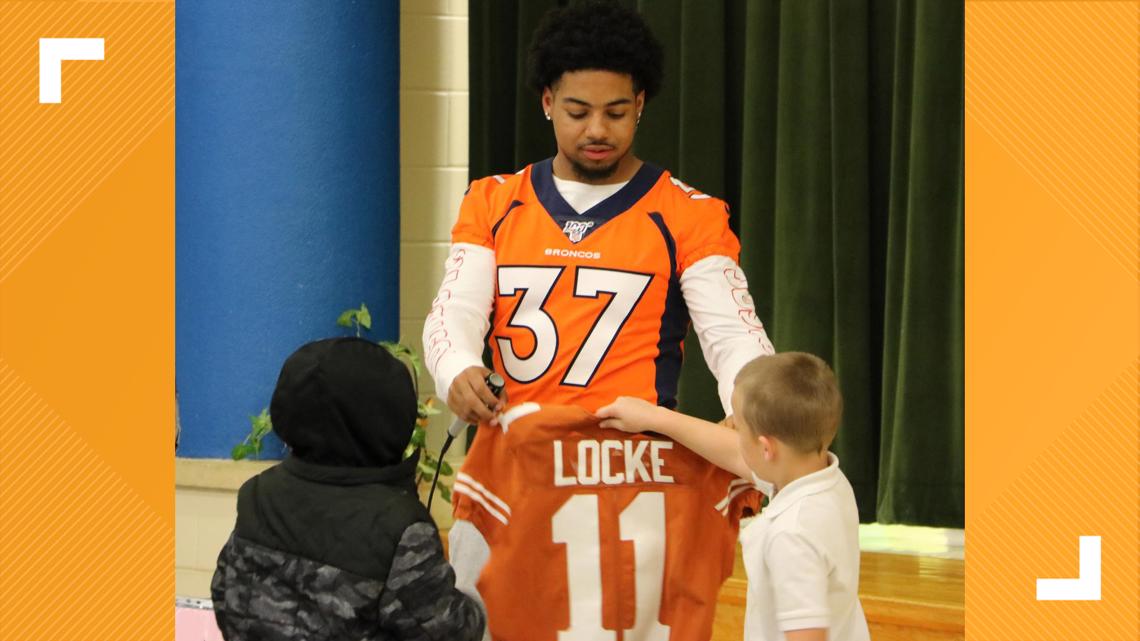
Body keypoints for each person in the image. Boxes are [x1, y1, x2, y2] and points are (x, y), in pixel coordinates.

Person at [422, 0, 774, 427]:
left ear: (640, 104)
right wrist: (456, 367)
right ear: (548, 101)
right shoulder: (492, 201)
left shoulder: (689, 213)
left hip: (636, 473)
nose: (597, 130)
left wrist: (752, 408)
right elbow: (455, 311)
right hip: (515, 464)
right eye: (577, 112)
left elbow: (735, 336)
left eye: (616, 112)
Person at [211, 337, 485, 641]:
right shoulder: (398, 525)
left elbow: (225, 593)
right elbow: (450, 631)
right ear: (390, 417)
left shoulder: (259, 494)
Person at [597, 352, 871, 641]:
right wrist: (654, 417)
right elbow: (735, 454)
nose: (732, 433)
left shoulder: (791, 536)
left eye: (738, 427)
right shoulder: (826, 479)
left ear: (766, 448)